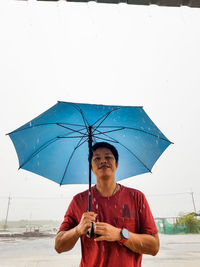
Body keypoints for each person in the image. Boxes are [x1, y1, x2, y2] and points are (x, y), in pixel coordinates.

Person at [55, 142, 159, 267]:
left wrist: (120, 235)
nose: (103, 161)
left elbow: (154, 246)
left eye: (108, 157)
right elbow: (59, 246)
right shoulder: (79, 201)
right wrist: (78, 230)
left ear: (117, 164)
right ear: (91, 168)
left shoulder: (136, 197)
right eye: (97, 158)